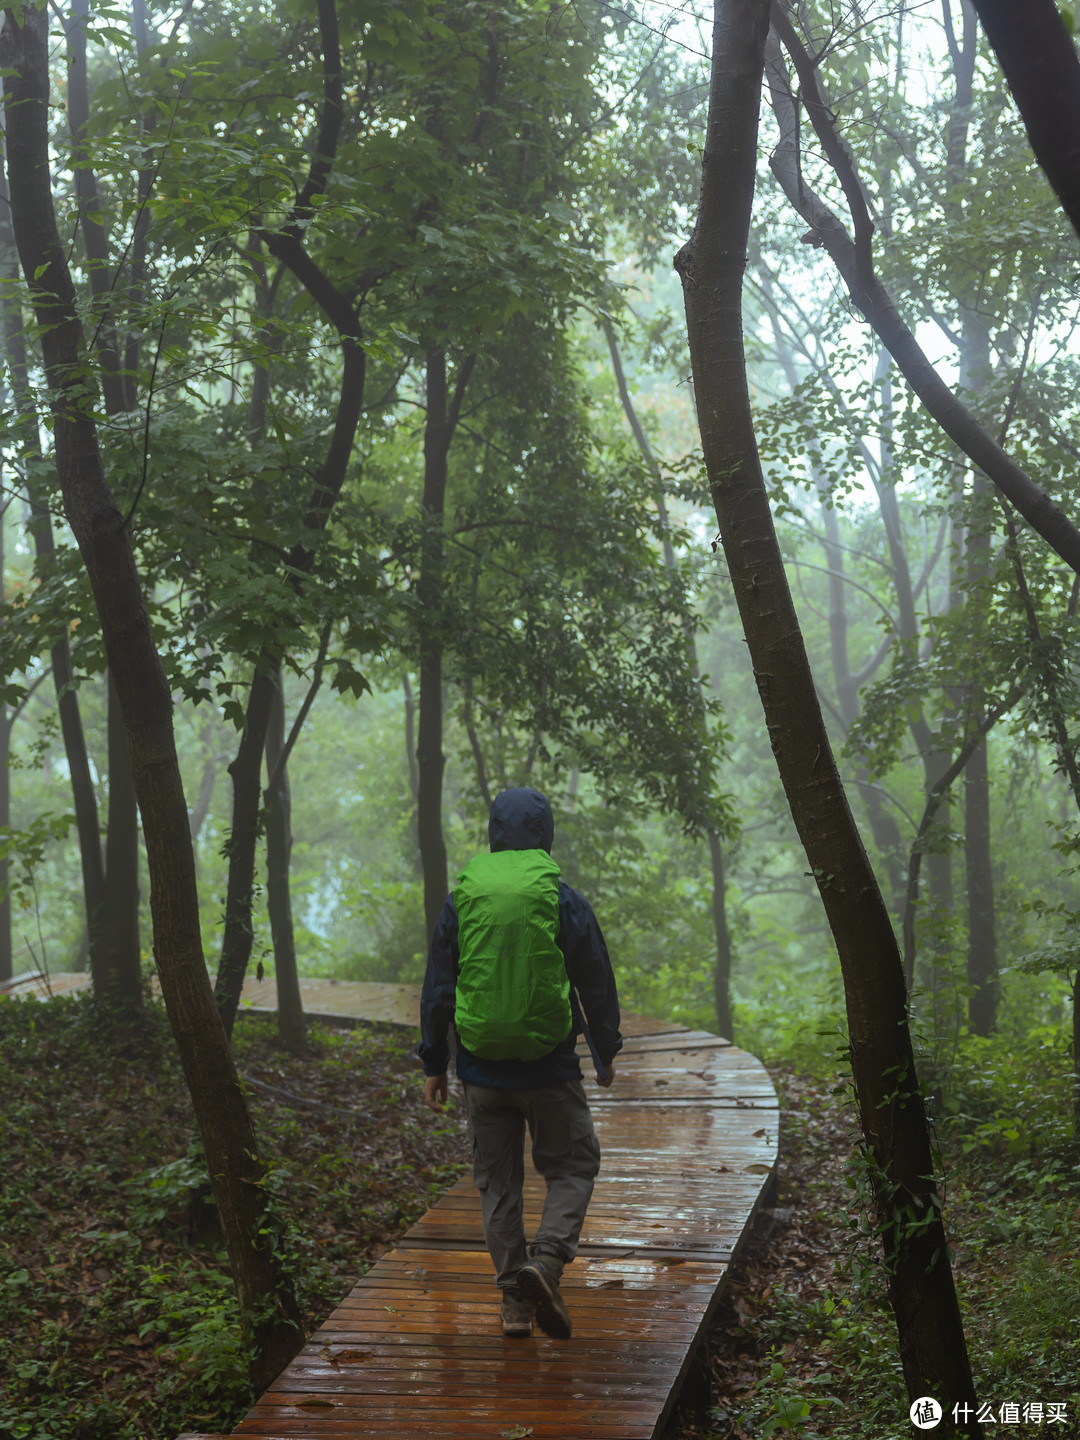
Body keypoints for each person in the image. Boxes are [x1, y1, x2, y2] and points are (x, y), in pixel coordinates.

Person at [417, 786, 622, 1341]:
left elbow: (440, 986)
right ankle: (548, 1263)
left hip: (481, 1071)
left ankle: (514, 1305)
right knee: (573, 1167)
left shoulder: (464, 898)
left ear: (493, 833)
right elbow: (594, 977)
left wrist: (435, 1060)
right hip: (549, 1069)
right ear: (545, 834)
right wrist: (605, 1049)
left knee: (499, 1187)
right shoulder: (561, 897)